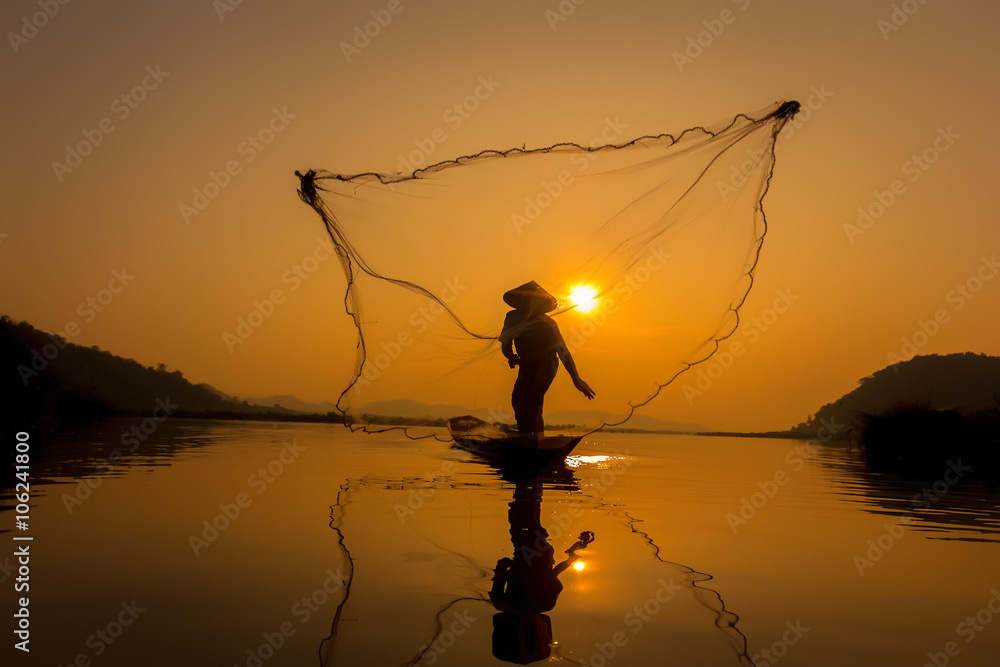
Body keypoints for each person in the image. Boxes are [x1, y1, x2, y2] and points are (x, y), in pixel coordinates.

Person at [498, 281, 595, 436]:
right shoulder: (513, 318)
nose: (529, 302)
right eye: (525, 298)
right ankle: (525, 438)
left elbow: (563, 351)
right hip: (526, 365)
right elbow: (506, 343)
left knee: (531, 401)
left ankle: (538, 441)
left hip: (546, 364)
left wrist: (576, 378)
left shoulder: (547, 323)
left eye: (533, 299)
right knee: (517, 400)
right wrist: (511, 356)